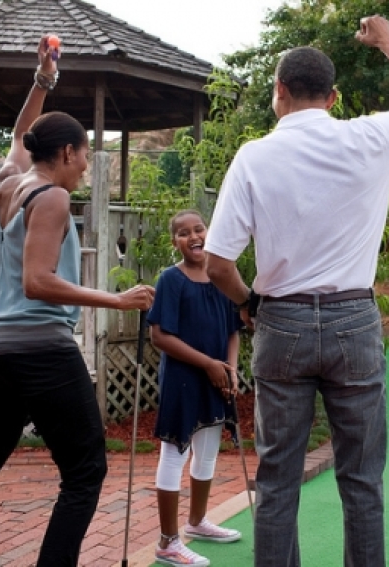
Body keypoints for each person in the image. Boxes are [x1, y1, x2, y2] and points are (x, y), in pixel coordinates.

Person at [0, 35, 155, 567]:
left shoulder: (6, 183)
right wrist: (117, 300)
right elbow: (38, 282)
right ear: (66, 153)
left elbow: (21, 134)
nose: (87, 164)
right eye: (85, 153)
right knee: (85, 472)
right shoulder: (54, 196)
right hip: (39, 348)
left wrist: (44, 79)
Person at [204, 14, 389, 567]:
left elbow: (216, 263)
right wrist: (386, 41)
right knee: (362, 481)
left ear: (279, 92)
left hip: (280, 323)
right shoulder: (371, 138)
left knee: (278, 480)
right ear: (333, 97)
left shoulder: (254, 156)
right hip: (354, 320)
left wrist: (249, 305)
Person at [148, 209, 244, 567]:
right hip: (184, 378)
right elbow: (160, 335)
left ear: (209, 232)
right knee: (175, 454)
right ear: (175, 241)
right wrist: (208, 364)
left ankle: (197, 522)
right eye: (183, 233)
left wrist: (230, 368)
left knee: (207, 451)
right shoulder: (170, 280)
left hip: (218, 375)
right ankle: (167, 541)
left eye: (198, 229)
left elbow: (234, 329)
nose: (193, 236)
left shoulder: (222, 275)